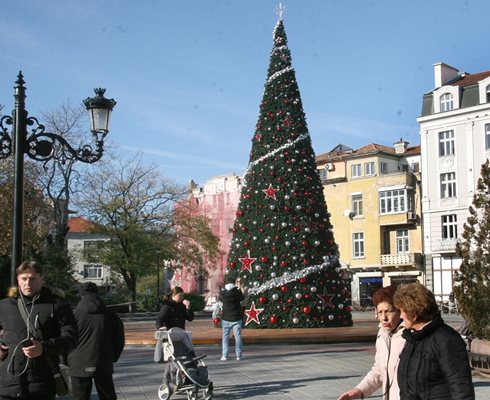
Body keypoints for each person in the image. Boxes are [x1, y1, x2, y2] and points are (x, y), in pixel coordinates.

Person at [0, 261, 78, 400]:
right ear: (18, 279)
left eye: (32, 279)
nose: (27, 283)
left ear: (42, 279)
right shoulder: (5, 306)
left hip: (42, 385)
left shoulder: (57, 305)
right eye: (24, 279)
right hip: (8, 385)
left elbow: (71, 339)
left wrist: (44, 348)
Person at [394, 282, 474, 400]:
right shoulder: (412, 338)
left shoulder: (447, 340)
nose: (400, 316)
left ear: (414, 314)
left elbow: (461, 388)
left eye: (402, 311)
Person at [337, 285, 404, 400]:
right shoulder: (382, 334)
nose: (384, 318)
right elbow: (379, 371)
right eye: (380, 312)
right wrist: (359, 390)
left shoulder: (410, 336)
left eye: (388, 311)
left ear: (399, 311)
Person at [68, 282, 125, 400]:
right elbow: (119, 339)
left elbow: (65, 338)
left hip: (77, 363)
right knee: (107, 396)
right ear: (97, 294)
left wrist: (66, 359)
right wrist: (113, 357)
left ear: (81, 295)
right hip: (103, 361)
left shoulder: (73, 315)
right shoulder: (110, 314)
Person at [219, 276, 245, 361]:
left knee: (225, 337)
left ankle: (224, 355)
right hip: (237, 318)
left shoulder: (223, 293)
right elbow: (242, 298)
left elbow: (220, 299)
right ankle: (238, 355)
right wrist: (240, 288)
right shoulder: (237, 292)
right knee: (238, 337)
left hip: (226, 318)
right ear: (234, 283)